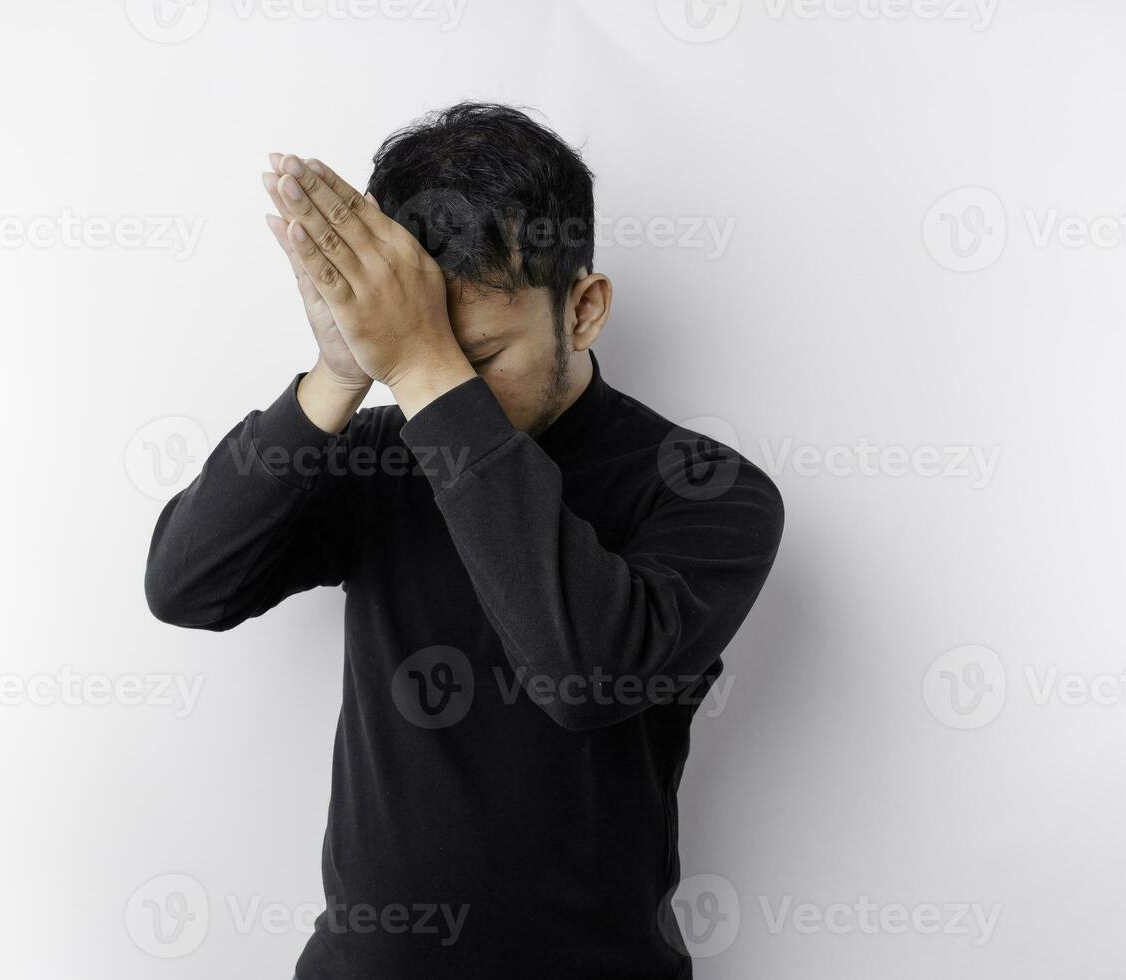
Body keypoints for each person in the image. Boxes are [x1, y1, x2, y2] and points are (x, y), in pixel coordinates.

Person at [144, 102, 784, 979]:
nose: (437, 389)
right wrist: (340, 372)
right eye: (412, 344)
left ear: (585, 309)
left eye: (475, 358)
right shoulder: (382, 452)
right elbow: (188, 585)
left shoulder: (709, 491)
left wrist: (417, 365)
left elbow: (584, 673)